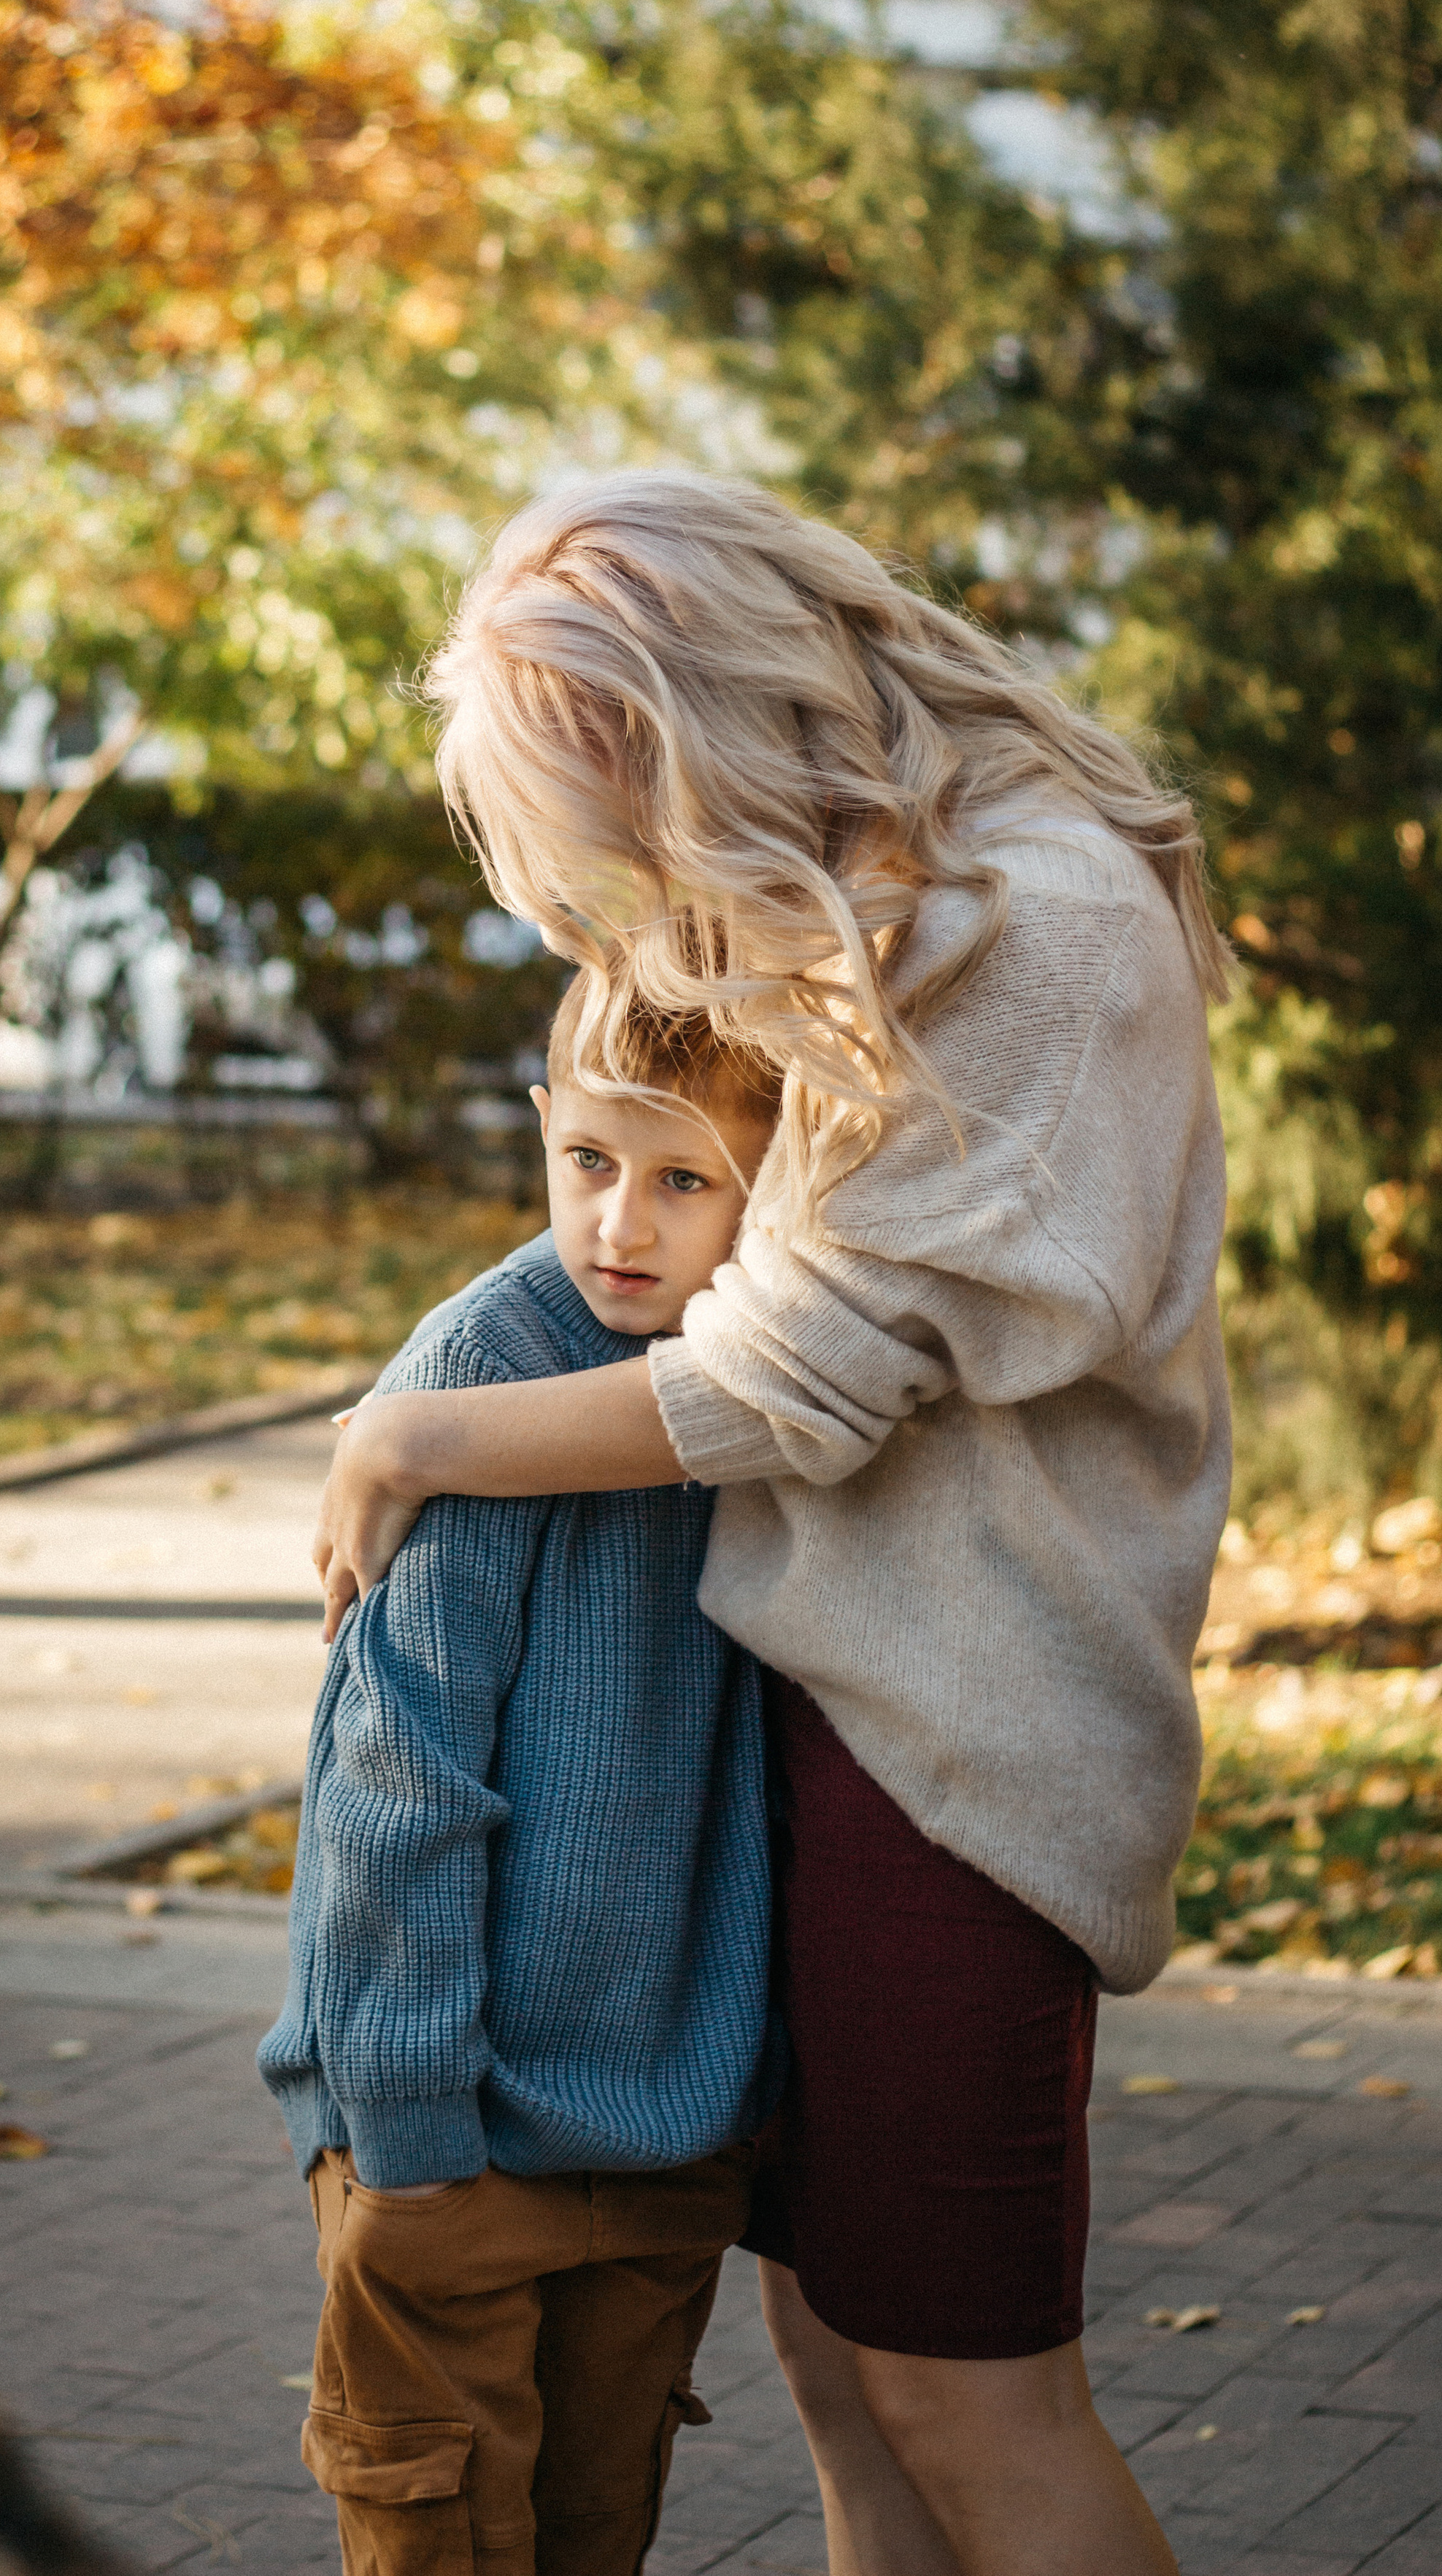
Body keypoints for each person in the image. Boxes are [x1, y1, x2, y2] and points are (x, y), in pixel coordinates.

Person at [312, 470, 1233, 2576]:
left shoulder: (1041, 920)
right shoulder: (893, 892)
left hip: (968, 1756)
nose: (627, 900)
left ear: (688, 723)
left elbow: (789, 1377)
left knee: (971, 2397)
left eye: (608, 832)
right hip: (821, 1718)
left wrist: (416, 1443)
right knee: (839, 2370)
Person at [259, 979, 784, 2576]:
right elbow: (392, 1783)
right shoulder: (479, 1369)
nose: (617, 1224)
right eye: (584, 1162)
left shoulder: (756, 1379)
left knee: (590, 2537)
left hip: (654, 2140)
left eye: (683, 1180)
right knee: (442, 2543)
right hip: (450, 2144)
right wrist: (411, 2147)